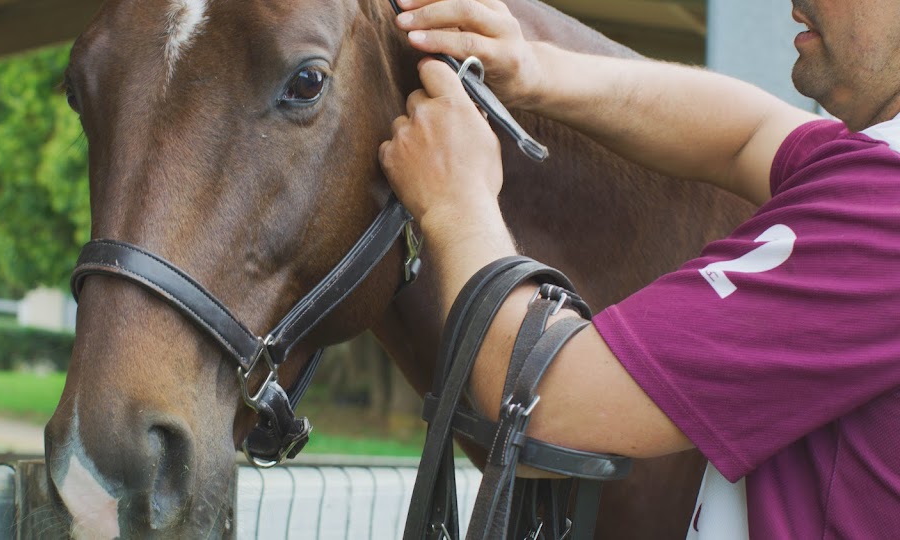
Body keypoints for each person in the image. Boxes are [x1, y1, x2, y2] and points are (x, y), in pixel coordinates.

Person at [378, 0, 900, 537]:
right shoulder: (873, 170)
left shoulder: (885, 208)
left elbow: (544, 410)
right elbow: (748, 133)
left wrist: (456, 202)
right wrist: (535, 70)